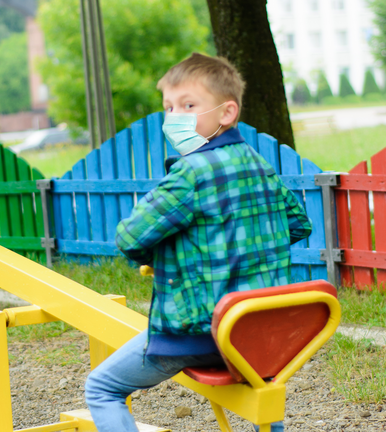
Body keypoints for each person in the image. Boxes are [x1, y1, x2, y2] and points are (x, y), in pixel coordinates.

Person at [84, 53, 312, 431]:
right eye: (169, 107)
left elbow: (129, 237)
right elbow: (297, 224)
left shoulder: (190, 173)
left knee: (102, 387)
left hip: (201, 334)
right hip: (261, 332)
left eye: (189, 105)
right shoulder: (260, 165)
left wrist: (160, 252)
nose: (175, 117)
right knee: (263, 394)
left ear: (226, 112)